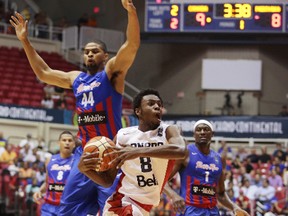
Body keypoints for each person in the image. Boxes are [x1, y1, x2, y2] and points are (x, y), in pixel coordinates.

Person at [10, 0, 140, 215]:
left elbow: (132, 46)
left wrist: (132, 13)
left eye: (95, 51)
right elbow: (43, 72)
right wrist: (25, 40)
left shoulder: (111, 74)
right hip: (84, 154)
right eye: (86, 51)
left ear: (105, 56)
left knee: (112, 211)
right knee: (67, 209)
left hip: (109, 154)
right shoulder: (75, 79)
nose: (89, 54)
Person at [79, 89, 187, 215]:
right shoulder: (123, 135)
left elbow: (181, 151)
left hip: (144, 206)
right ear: (138, 111)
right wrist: (85, 169)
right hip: (123, 203)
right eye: (151, 104)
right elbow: (108, 180)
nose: (157, 106)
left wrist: (138, 151)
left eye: (159, 104)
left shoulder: (168, 130)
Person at [163, 119, 249, 216]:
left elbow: (220, 194)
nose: (202, 132)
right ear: (194, 134)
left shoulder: (219, 159)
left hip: (212, 211)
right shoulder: (185, 153)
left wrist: (235, 207)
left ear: (212, 134)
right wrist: (173, 195)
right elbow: (162, 180)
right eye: (199, 130)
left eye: (205, 129)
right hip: (190, 210)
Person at [32, 130, 75, 216]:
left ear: (74, 144)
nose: (67, 143)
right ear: (59, 143)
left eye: (70, 141)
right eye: (64, 140)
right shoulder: (49, 160)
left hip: (68, 208)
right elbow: (47, 182)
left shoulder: (77, 161)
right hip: (49, 207)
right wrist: (39, 190)